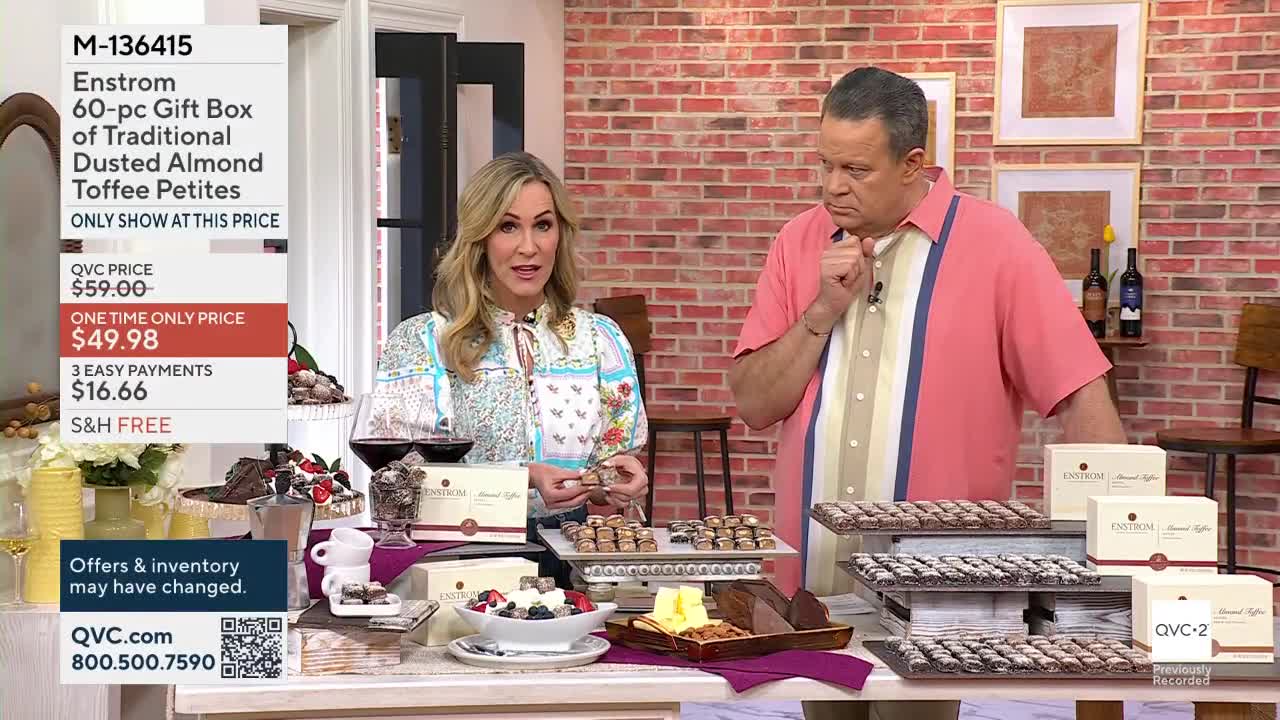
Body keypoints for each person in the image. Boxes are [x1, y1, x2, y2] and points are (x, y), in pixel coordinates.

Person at [728, 67, 1126, 720]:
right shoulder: (797, 241)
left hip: (938, 595)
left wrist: (1122, 548)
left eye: (856, 169)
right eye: (825, 164)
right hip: (813, 586)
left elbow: (1081, 391)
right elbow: (753, 404)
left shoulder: (997, 243)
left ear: (913, 163)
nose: (832, 186)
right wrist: (820, 313)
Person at [374, 151, 650, 586]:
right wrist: (522, 480)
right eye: (508, 226)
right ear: (480, 237)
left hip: (573, 566)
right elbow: (400, 480)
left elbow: (604, 472)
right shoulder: (422, 342)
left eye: (543, 225)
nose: (529, 247)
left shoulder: (601, 340)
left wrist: (614, 483)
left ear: (560, 234)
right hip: (459, 565)